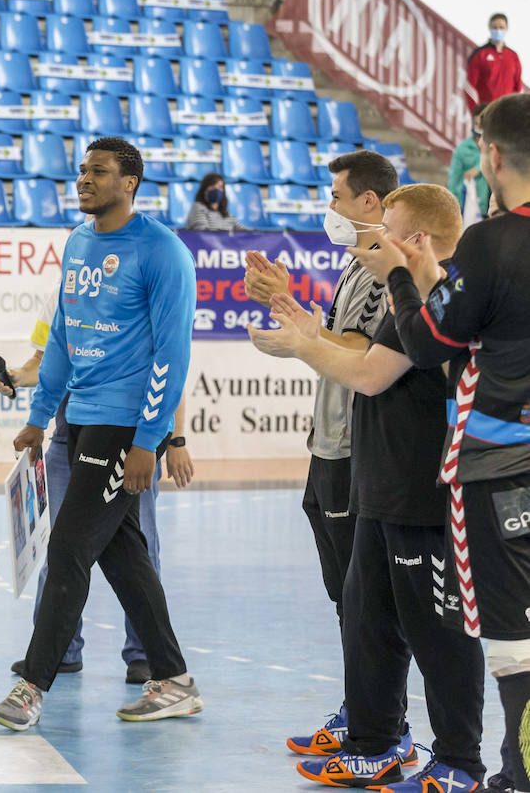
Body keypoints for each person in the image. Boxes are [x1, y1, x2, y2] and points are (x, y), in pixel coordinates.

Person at [250, 184, 486, 792]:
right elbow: (361, 354)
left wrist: (302, 345)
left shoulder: (446, 298)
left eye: (387, 232)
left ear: (418, 241)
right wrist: (307, 326)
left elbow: (371, 375)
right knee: (368, 623)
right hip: (381, 489)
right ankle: (375, 743)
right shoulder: (405, 296)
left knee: (439, 636)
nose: (374, 242)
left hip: (425, 495)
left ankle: (459, 760)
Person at [345, 92, 530, 793]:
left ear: (490, 154)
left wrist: (397, 270)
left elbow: (427, 343)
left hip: (497, 462)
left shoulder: (491, 238)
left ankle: (509, 771)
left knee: (510, 636)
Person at [0, 136, 201, 732]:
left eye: (99, 172)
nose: (85, 179)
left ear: (129, 182)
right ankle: (174, 680)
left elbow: (172, 352)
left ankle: (32, 685)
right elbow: (62, 333)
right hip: (76, 420)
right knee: (125, 555)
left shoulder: (162, 252)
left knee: (70, 547)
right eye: (83, 170)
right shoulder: (79, 242)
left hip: (123, 426)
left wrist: (149, 439)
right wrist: (39, 416)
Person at [0, 292, 193, 684]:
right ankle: (60, 650)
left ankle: (145, 656)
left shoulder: (142, 285)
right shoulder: (62, 290)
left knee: (139, 545)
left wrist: (174, 440)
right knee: (61, 543)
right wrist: (19, 380)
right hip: (69, 433)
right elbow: (47, 360)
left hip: (127, 435)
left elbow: (170, 368)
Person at [244, 151, 396, 631]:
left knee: (362, 592)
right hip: (328, 440)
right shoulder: (356, 265)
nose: (329, 208)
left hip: (355, 444)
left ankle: (374, 705)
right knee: (344, 591)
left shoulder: (381, 271)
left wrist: (299, 335)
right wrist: (286, 306)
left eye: (336, 197)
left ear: (368, 201)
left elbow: (356, 348)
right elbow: (330, 338)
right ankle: (365, 702)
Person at [465, 14, 522, 112]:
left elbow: (518, 85)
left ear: (506, 29)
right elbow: (469, 86)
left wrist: (518, 109)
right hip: (487, 112)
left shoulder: (513, 56)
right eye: (495, 27)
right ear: (490, 28)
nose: (498, 30)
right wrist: (475, 111)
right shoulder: (480, 54)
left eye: (501, 27)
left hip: (508, 112)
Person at [448, 102, 492, 223]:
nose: (479, 127)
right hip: (470, 208)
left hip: (494, 208)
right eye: (477, 123)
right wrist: (455, 210)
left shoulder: (497, 147)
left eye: (483, 124)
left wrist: (478, 168)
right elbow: (454, 181)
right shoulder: (462, 149)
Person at [183, 173, 248, 232]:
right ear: (204, 190)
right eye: (213, 187)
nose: (217, 190)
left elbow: (242, 230)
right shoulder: (198, 207)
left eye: (220, 187)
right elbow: (203, 233)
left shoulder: (225, 212)